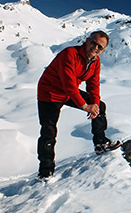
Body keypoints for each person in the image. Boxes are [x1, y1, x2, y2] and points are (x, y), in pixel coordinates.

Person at [37, 30, 121, 179]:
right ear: (87, 41)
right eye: (93, 43)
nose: (95, 47)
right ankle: (46, 172)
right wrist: (84, 106)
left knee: (100, 107)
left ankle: (100, 143)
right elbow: (68, 83)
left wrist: (94, 104)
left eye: (100, 47)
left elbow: (93, 85)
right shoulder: (70, 53)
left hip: (68, 92)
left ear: (103, 51)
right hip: (50, 92)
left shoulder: (95, 62)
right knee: (48, 132)